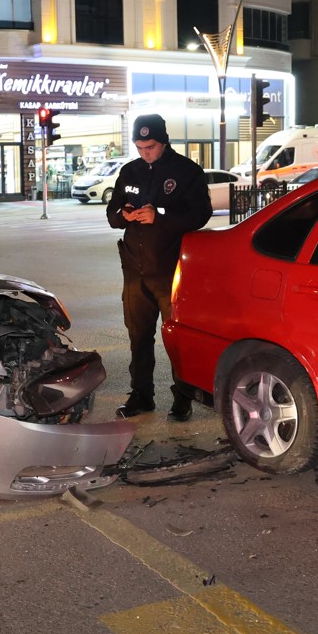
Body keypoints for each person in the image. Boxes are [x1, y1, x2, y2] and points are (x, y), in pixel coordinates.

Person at [106, 114, 213, 420]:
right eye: (139, 147)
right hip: (134, 269)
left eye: (150, 146)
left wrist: (160, 217)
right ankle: (141, 395)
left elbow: (200, 215)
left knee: (175, 338)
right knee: (138, 337)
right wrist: (123, 215)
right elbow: (112, 213)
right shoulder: (130, 171)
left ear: (164, 141)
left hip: (171, 271)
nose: (145, 153)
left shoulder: (187, 172)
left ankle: (183, 398)